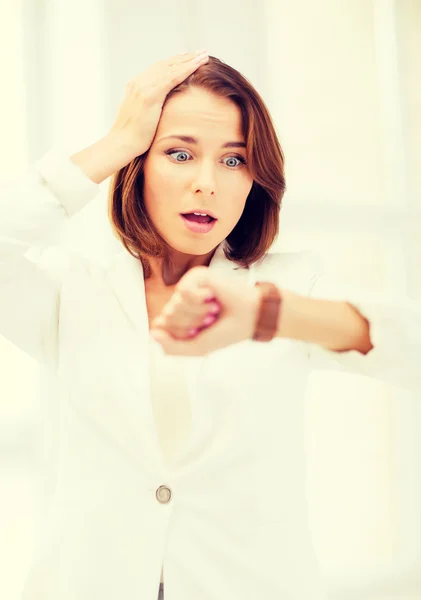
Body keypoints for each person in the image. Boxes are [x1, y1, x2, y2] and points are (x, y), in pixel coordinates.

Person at [1, 50, 420, 600]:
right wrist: (115, 142)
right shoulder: (73, 286)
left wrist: (268, 315)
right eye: (179, 153)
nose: (208, 184)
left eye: (233, 160)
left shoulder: (291, 283)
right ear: (139, 163)